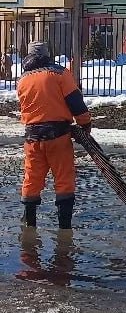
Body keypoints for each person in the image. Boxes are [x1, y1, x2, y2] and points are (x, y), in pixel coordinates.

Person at [16, 41, 92, 229]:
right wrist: (85, 125)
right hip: (58, 136)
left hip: (32, 138)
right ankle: (64, 228)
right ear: (47, 54)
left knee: (31, 178)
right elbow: (76, 103)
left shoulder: (23, 80)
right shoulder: (59, 74)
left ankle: (29, 223)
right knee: (64, 179)